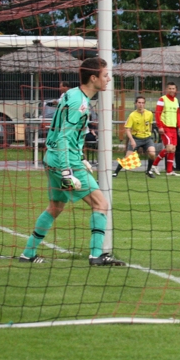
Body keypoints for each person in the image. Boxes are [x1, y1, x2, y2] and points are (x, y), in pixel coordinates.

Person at [19, 57, 125, 266]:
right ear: (93, 78)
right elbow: (64, 137)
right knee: (101, 204)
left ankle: (28, 253)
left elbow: (69, 133)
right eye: (105, 75)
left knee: (56, 206)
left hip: (53, 157)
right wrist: (68, 171)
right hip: (63, 161)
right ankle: (96, 256)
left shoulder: (73, 94)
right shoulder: (79, 102)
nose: (109, 79)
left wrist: (82, 157)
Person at [112, 96, 157, 179]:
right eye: (139, 103)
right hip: (136, 138)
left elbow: (150, 125)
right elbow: (127, 129)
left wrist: (149, 135)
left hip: (147, 138)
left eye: (143, 103)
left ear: (145, 104)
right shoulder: (132, 115)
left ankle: (149, 171)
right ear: (136, 104)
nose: (141, 105)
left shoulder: (149, 114)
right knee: (127, 157)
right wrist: (132, 141)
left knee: (152, 153)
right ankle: (116, 172)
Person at [150, 82, 180, 177]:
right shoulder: (162, 99)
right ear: (166, 89)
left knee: (173, 149)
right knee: (168, 148)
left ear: (176, 90)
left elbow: (178, 114)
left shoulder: (176, 100)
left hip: (173, 128)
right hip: (165, 127)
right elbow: (157, 113)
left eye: (173, 88)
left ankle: (169, 171)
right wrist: (160, 126)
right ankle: (154, 165)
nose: (171, 90)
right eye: (170, 88)